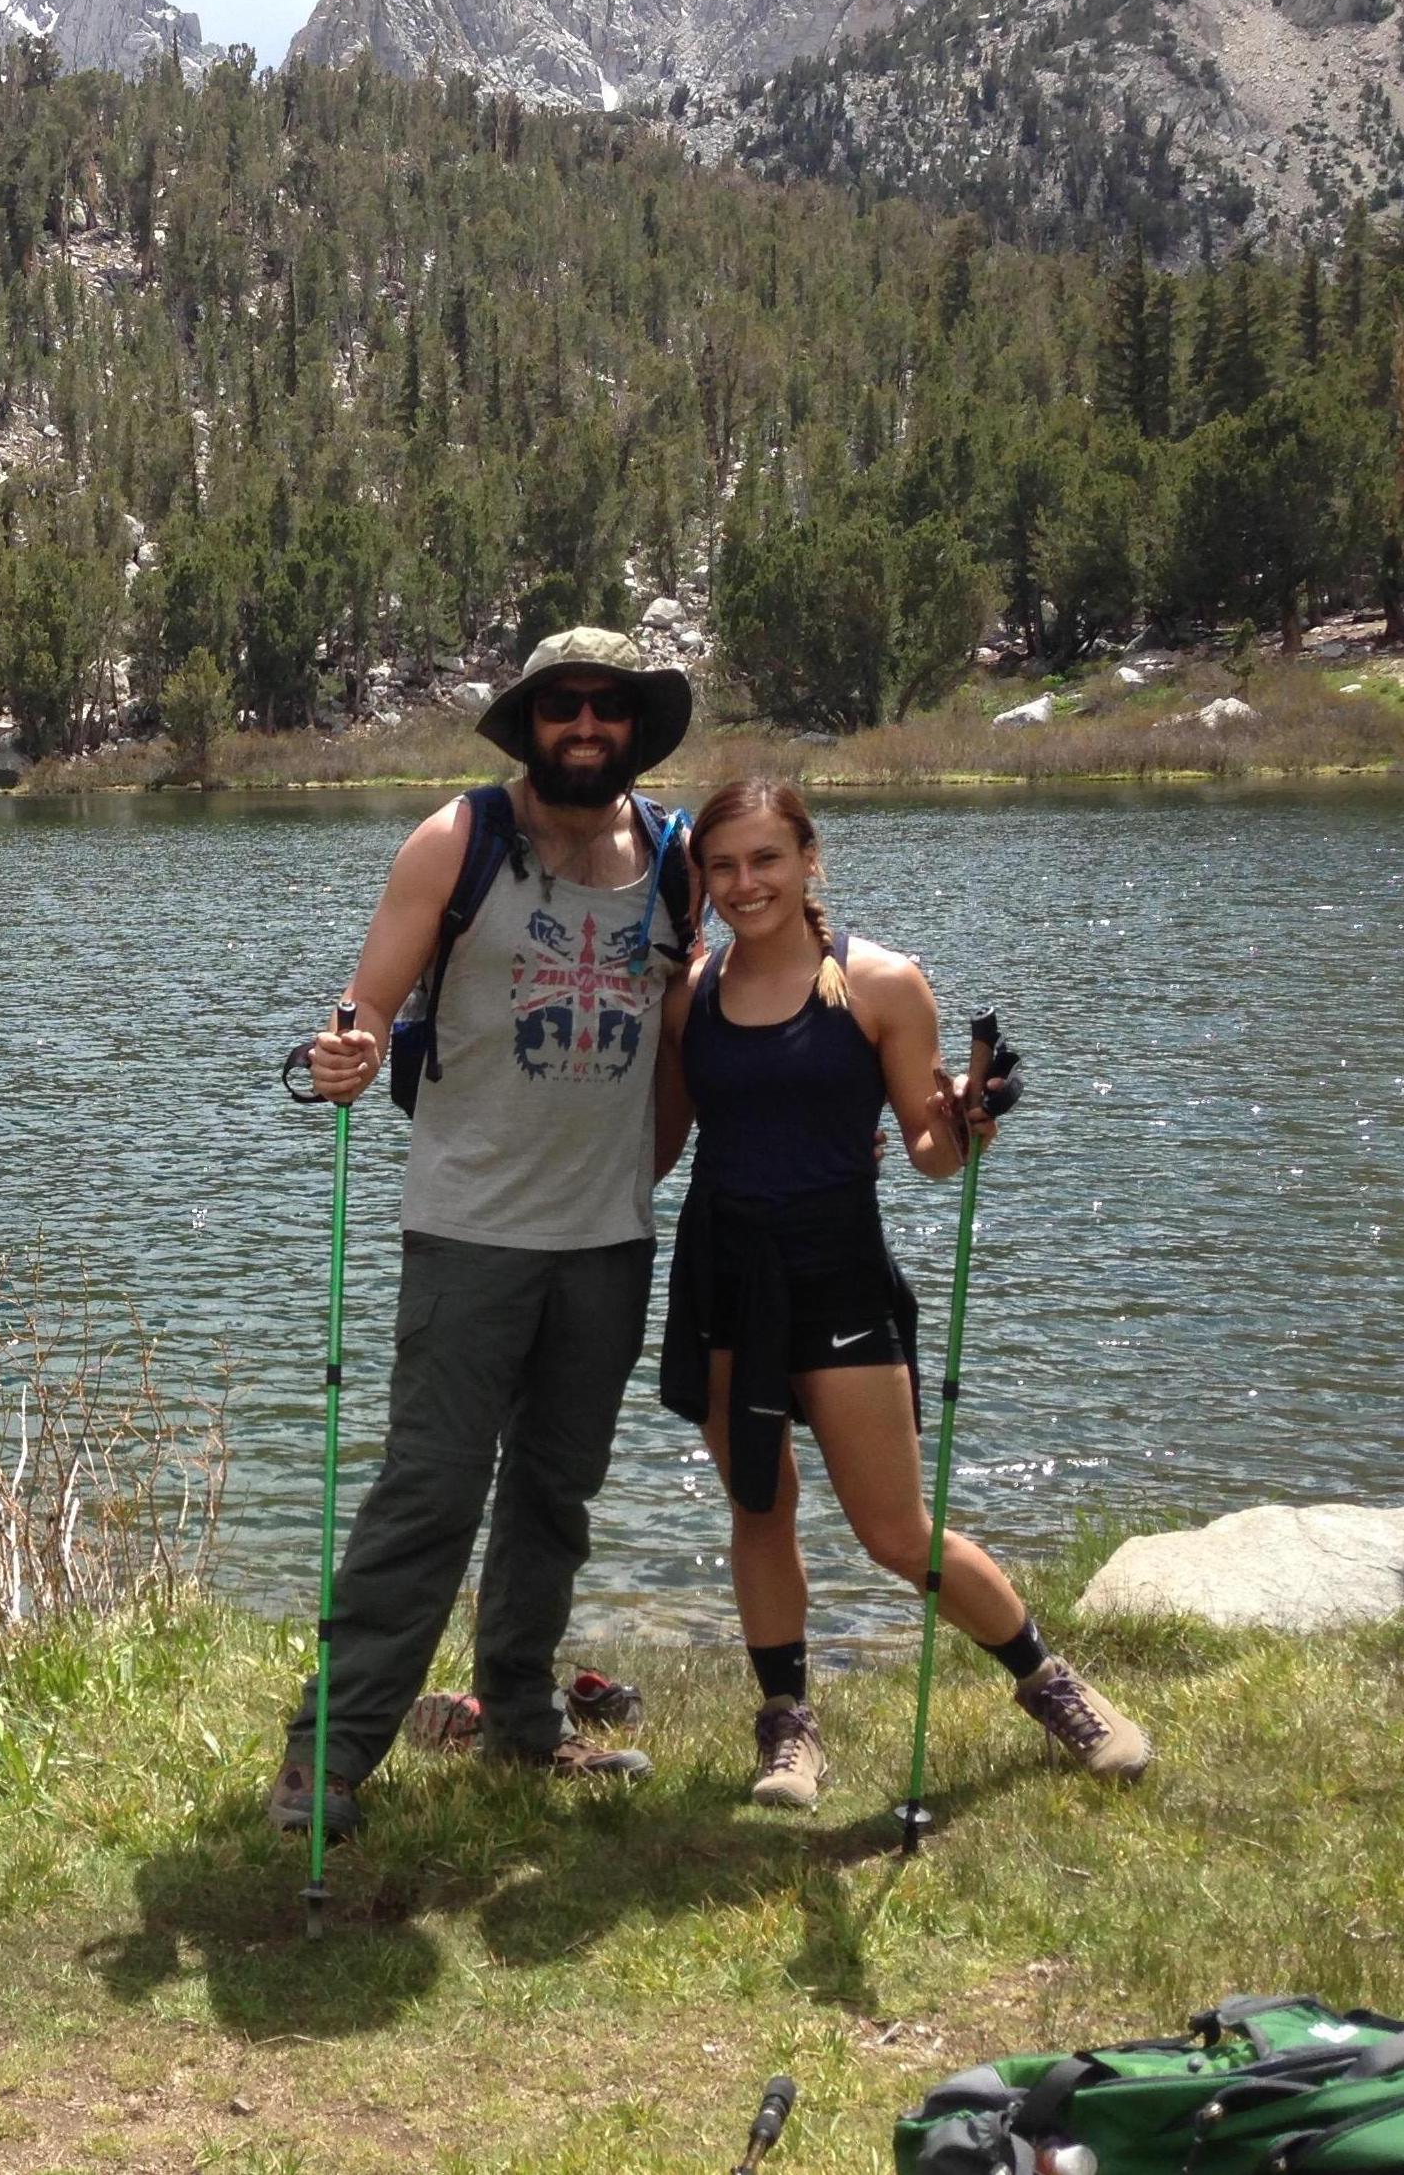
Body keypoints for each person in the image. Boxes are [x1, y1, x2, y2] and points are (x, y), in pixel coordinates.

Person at [267, 627, 697, 1841]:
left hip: (606, 1241)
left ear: (633, 725)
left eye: (605, 707)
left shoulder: (673, 857)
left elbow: (684, 1039)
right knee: (430, 1489)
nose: (583, 726)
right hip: (467, 1231)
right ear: (527, 723)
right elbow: (362, 1015)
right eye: (560, 706)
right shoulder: (457, 841)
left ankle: (520, 1715)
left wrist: (654, 1169)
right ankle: (329, 1754)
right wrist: (342, 1058)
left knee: (556, 1493)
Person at [655, 775, 1150, 1810]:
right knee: (760, 1505)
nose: (745, 883)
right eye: (722, 865)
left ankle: (1050, 1683)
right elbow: (658, 1140)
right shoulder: (688, 991)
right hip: (723, 1269)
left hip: (836, 1267)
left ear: (806, 859)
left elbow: (928, 1152)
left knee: (894, 1532)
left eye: (765, 859)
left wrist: (970, 1122)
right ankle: (787, 1729)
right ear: (698, 878)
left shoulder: (880, 983)